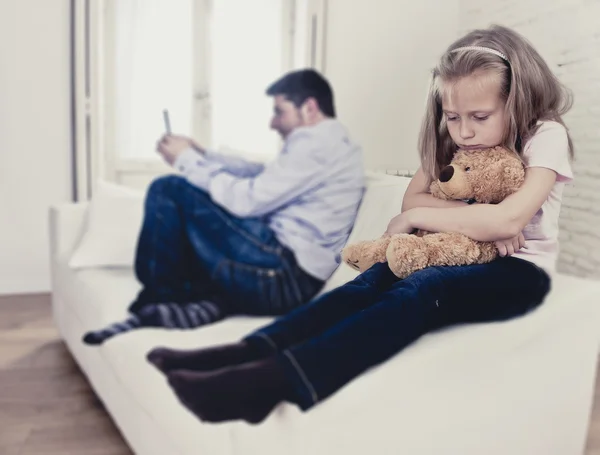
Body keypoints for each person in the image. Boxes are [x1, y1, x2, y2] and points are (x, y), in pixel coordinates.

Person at [146, 24, 575, 424]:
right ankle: (243, 352)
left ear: (516, 101)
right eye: (452, 116)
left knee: (423, 289)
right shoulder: (451, 138)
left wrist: (423, 217)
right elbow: (417, 198)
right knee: (368, 282)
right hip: (448, 252)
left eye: (479, 118)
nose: (462, 131)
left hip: (519, 270)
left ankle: (273, 382)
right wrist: (459, 218)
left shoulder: (545, 135)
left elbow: (508, 218)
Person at [82, 69, 365, 345]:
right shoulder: (330, 142)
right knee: (189, 220)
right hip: (290, 275)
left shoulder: (317, 143)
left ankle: (162, 299)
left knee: (169, 189)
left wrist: (186, 160)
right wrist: (202, 153)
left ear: (310, 107)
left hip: (284, 276)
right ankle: (201, 303)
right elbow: (262, 173)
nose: (273, 122)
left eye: (280, 111)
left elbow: (246, 201)